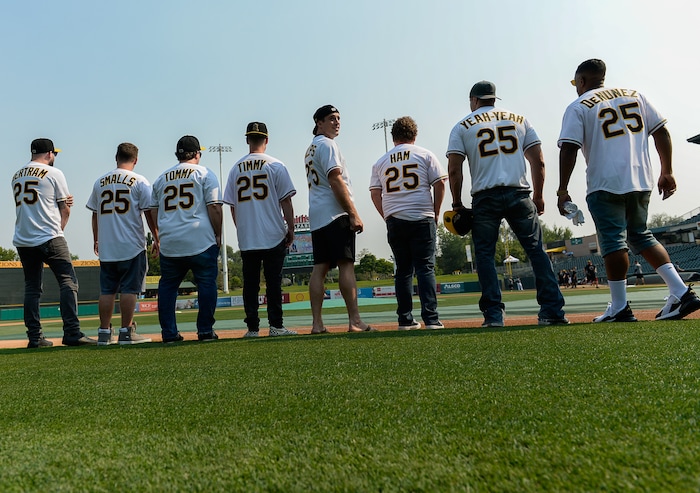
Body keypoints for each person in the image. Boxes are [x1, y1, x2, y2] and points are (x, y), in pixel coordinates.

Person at [558, 58, 700, 322]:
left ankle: (620, 306)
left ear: (582, 81)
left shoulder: (578, 105)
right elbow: (661, 131)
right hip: (641, 179)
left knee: (613, 241)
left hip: (605, 181)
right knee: (641, 235)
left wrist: (562, 190)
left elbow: (568, 148)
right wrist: (667, 170)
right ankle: (681, 292)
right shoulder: (636, 95)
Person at [447, 81, 568, 327]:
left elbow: (454, 170)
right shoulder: (520, 120)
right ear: (494, 99)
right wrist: (539, 195)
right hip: (519, 192)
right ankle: (552, 311)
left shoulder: (462, 126)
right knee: (536, 251)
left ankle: (493, 314)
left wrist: (457, 203)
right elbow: (538, 161)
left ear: (474, 100)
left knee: (484, 256)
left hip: (485, 196)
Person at [12, 138, 97, 347]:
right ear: (49, 154)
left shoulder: (16, 175)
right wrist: (60, 228)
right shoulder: (54, 173)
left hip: (23, 239)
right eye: (54, 154)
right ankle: (72, 332)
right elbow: (64, 207)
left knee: (32, 288)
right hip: (49, 235)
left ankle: (35, 337)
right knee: (68, 282)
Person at [369, 116, 447, 330]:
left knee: (403, 270)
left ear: (393, 137)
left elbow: (375, 193)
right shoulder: (425, 154)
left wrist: (387, 215)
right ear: (414, 135)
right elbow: (440, 183)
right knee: (425, 268)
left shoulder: (381, 161)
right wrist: (436, 211)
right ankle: (431, 318)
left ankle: (404, 319)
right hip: (422, 215)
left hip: (395, 218)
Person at [223, 122, 298, 338]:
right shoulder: (276, 165)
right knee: (274, 283)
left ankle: (252, 328)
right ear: (266, 140)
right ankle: (276, 326)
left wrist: (242, 229)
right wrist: (291, 228)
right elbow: (286, 201)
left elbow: (233, 206)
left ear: (247, 140)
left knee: (250, 285)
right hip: (273, 232)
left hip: (248, 236)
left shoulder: (235, 168)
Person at [305, 104, 373, 333]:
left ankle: (317, 324)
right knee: (346, 265)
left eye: (338, 118)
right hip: (335, 213)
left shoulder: (311, 148)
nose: (337, 122)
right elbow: (336, 180)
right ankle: (355, 321)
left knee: (320, 268)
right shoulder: (328, 144)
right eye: (331, 118)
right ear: (319, 122)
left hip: (317, 215)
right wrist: (353, 213)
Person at [149, 135, 223, 342]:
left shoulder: (162, 177)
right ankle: (205, 330)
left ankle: (169, 333)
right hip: (200, 239)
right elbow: (215, 207)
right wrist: (218, 233)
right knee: (206, 284)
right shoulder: (205, 173)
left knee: (167, 288)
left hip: (171, 241)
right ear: (197, 153)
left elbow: (152, 209)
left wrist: (157, 235)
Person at [86, 143, 157, 345]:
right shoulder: (140, 181)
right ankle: (126, 331)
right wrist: (157, 237)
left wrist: (96, 239)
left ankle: (103, 333)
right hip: (131, 245)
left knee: (107, 291)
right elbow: (149, 212)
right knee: (129, 289)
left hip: (108, 246)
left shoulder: (100, 182)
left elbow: (95, 213)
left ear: (116, 157)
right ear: (135, 160)